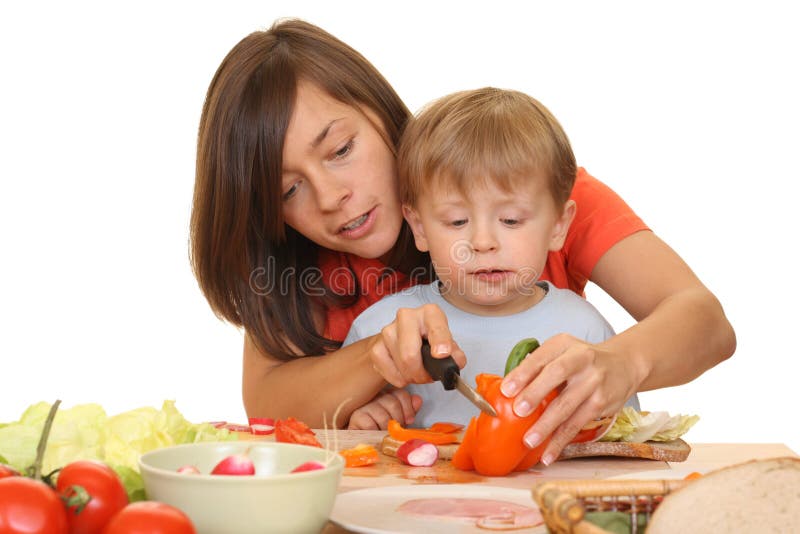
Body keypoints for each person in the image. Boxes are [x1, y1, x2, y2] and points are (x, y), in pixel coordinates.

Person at [189, 19, 735, 463]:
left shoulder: (528, 187)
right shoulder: (296, 261)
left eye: (341, 150)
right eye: (288, 189)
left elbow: (705, 322)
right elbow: (269, 405)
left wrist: (623, 362)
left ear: (380, 111)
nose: (332, 197)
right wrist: (376, 365)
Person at [343, 87, 641, 431]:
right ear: (420, 228)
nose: (483, 243)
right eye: (457, 221)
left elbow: (622, 441)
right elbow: (340, 444)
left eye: (511, 220)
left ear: (558, 225)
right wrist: (362, 423)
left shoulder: (586, 331)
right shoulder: (380, 331)